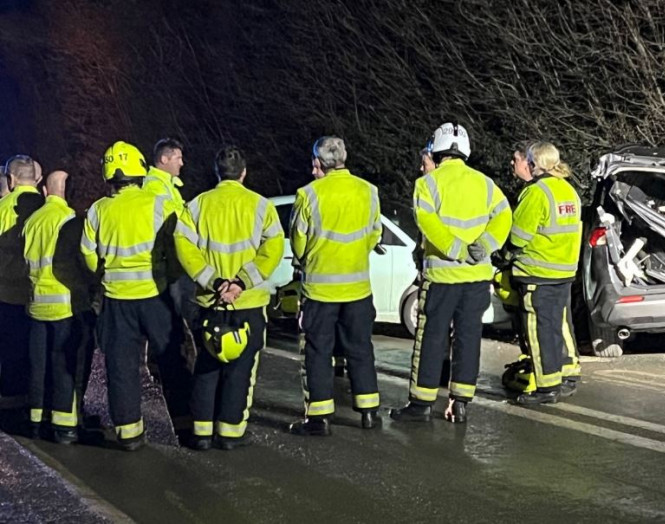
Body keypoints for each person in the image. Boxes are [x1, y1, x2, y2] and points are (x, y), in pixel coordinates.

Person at [390, 123, 512, 423]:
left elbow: (428, 224)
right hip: (477, 278)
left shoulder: (427, 184)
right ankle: (459, 403)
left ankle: (421, 404)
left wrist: (455, 249)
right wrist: (483, 246)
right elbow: (503, 215)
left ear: (437, 149)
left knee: (431, 338)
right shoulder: (485, 184)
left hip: (443, 278)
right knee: (468, 339)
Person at [174, 145, 284, 450]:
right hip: (247, 301)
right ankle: (231, 433)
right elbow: (273, 247)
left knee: (207, 365)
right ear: (244, 173)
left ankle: (202, 433)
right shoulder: (261, 206)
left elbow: (184, 245)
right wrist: (242, 281)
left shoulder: (197, 206)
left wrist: (213, 281)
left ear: (217, 172)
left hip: (211, 301)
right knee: (240, 369)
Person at [82, 141, 183, 451]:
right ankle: (188, 424)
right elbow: (177, 247)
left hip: (117, 300)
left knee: (121, 365)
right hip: (155, 296)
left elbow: (87, 254)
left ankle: (128, 432)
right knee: (171, 359)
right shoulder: (158, 204)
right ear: (140, 169)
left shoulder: (99, 210)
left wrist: (102, 276)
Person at [288, 137, 382, 435]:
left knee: (317, 352)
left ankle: (320, 419)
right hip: (358, 289)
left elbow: (298, 242)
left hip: (320, 291)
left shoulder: (308, 195)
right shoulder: (369, 191)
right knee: (360, 349)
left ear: (319, 162)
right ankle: (369, 412)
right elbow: (374, 235)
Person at [502, 142, 583, 404]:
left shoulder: (536, 192)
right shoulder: (567, 190)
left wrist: (503, 256)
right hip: (564, 270)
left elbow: (519, 236)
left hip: (538, 270)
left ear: (534, 164)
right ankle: (569, 374)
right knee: (561, 324)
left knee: (540, 330)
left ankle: (547, 387)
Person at [23, 170, 97, 443]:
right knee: (65, 367)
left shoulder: (32, 221)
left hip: (36, 304)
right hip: (65, 305)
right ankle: (65, 426)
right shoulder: (68, 220)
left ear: (45, 191)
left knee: (39, 366)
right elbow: (80, 262)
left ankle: (36, 420)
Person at [142, 137, 196, 434]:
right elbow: (165, 234)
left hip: (169, 274)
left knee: (174, 336)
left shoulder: (166, 188)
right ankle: (182, 414)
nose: (182, 162)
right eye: (178, 157)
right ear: (164, 160)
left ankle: (163, 372)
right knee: (173, 339)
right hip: (165, 276)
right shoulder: (156, 190)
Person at [0, 155, 44, 417]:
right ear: (36, 177)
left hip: (7, 294)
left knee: (11, 350)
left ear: (12, 179)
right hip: (40, 293)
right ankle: (36, 398)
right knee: (36, 351)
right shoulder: (45, 207)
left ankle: (12, 401)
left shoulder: (4, 208)